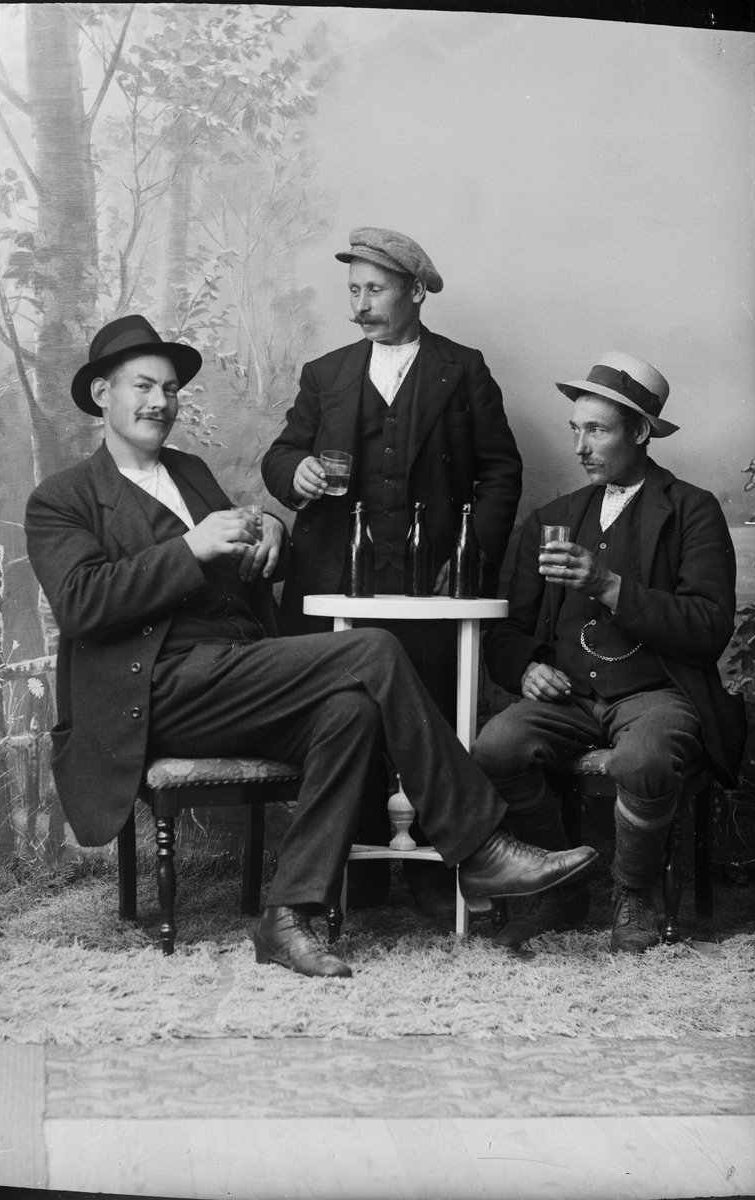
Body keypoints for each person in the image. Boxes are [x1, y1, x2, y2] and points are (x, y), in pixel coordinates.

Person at [24, 315, 596, 980]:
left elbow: (239, 557)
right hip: (153, 692)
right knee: (372, 649)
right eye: (143, 387)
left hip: (229, 674)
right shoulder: (62, 498)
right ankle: (479, 846)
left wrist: (271, 534)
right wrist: (191, 546)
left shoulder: (189, 471)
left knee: (349, 713)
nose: (161, 402)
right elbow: (83, 604)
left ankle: (286, 917)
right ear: (102, 394)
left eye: (171, 389)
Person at [261, 227, 522, 920]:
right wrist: (297, 470)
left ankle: (437, 875)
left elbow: (500, 473)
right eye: (353, 290)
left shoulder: (463, 369)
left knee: (431, 715)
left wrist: (468, 559)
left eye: (375, 290)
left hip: (430, 586)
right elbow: (280, 455)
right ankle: (358, 873)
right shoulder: (325, 373)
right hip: (335, 580)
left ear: (415, 292)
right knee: (348, 718)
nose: (360, 304)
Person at [472, 351, 747, 953]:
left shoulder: (692, 509)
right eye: (576, 430)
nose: (580, 447)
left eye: (596, 430)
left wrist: (609, 586)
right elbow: (508, 631)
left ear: (641, 432)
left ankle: (633, 894)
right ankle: (560, 887)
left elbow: (709, 627)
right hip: (570, 697)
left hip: (657, 694)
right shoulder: (552, 518)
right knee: (495, 745)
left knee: (644, 758)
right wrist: (528, 667)